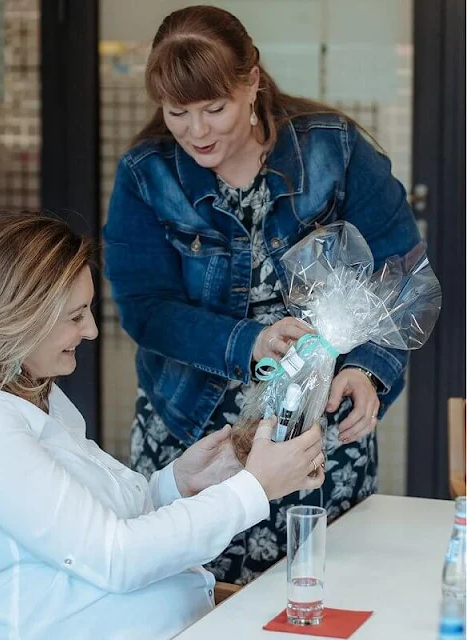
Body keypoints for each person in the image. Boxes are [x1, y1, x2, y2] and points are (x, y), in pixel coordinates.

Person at [103, 5, 421, 584]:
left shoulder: (336, 151)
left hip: (316, 433)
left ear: (251, 82)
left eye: (214, 108)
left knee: (319, 593)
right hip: (198, 437)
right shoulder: (147, 175)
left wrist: (370, 372)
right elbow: (145, 309)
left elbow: (400, 275)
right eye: (178, 112)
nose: (196, 132)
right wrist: (248, 341)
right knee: (195, 600)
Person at [0, 211, 324, 639]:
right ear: (17, 317)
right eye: (75, 315)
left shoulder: (32, 396)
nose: (91, 332)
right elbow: (114, 556)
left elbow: (96, 524)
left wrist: (181, 483)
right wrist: (255, 488)